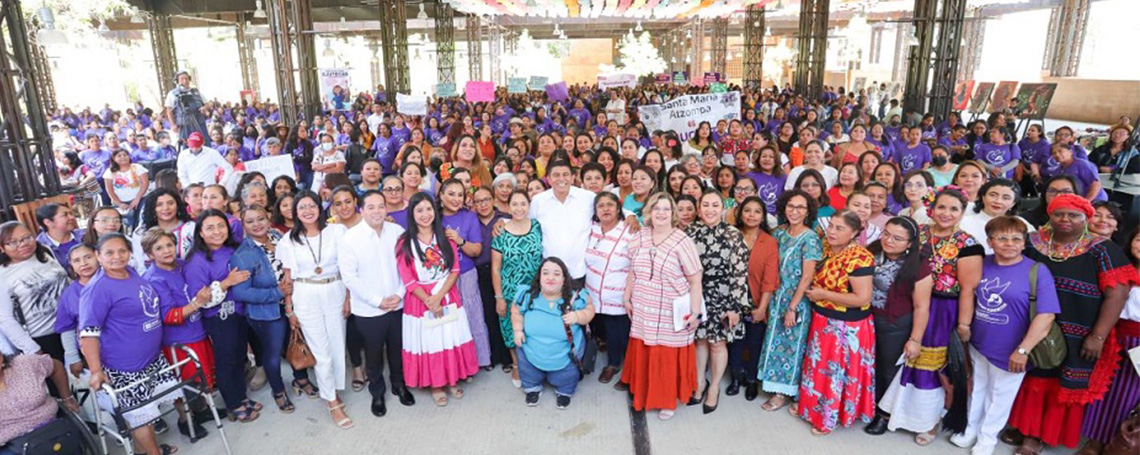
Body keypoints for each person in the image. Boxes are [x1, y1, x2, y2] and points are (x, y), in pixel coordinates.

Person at [1005, 194, 1139, 455]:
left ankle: (1040, 436)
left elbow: (1118, 293)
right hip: (1033, 326)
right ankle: (1026, 430)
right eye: (1059, 214)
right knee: (1032, 377)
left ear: (1085, 218)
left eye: (1074, 215)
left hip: (1080, 333)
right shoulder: (1033, 243)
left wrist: (1098, 336)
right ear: (1049, 215)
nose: (1065, 219)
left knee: (1061, 384)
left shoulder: (1102, 248)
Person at [947, 216, 1059, 455]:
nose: (1009, 244)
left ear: (1024, 242)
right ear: (990, 241)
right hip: (979, 342)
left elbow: (1046, 315)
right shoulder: (981, 263)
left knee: (999, 397)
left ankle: (987, 439)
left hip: (1013, 348)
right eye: (1002, 238)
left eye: (1016, 239)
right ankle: (970, 430)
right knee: (977, 388)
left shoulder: (1037, 271)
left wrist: (1023, 350)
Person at [878, 187, 982, 443]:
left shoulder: (968, 244)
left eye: (954, 209)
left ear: (962, 212)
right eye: (942, 207)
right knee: (903, 359)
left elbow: (968, 289)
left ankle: (930, 420)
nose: (946, 213)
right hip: (908, 302)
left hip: (942, 310)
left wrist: (964, 323)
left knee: (932, 366)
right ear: (931, 209)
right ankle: (898, 411)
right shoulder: (919, 233)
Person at [79, 233, 180, 455]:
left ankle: (145, 450)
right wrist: (96, 370)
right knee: (139, 415)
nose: (117, 257)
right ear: (98, 256)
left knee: (151, 411)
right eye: (109, 252)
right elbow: (88, 334)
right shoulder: (98, 289)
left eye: (122, 251)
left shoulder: (130, 273)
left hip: (152, 358)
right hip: (126, 367)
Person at [619, 192, 703, 421]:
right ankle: (644, 391)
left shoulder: (681, 241)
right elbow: (632, 271)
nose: (661, 213)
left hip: (671, 308)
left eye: (666, 209)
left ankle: (666, 400)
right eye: (657, 208)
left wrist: (695, 313)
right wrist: (627, 298)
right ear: (649, 212)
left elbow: (696, 279)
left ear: (673, 213)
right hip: (644, 305)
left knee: (665, 354)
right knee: (646, 348)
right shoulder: (640, 237)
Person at [796, 209, 876, 436]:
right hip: (822, 321)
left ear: (854, 233)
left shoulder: (860, 257)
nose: (832, 231)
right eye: (831, 225)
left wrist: (825, 295)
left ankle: (829, 417)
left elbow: (862, 298)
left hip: (846, 327)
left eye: (839, 228)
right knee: (818, 369)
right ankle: (811, 409)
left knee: (836, 373)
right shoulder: (824, 248)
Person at [396, 192, 479, 407]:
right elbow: (407, 278)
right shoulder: (404, 242)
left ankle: (452, 379)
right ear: (412, 214)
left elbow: (454, 270)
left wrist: (439, 296)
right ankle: (436, 384)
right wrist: (429, 300)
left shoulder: (444, 236)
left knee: (450, 337)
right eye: (419, 210)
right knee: (431, 340)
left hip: (447, 293)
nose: (425, 215)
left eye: (429, 209)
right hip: (420, 300)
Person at [339, 190, 415, 418]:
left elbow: (408, 266)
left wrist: (400, 294)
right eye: (370, 207)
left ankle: (399, 385)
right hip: (369, 310)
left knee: (397, 349)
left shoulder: (398, 232)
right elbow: (350, 277)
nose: (377, 211)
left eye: (381, 206)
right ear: (361, 210)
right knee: (373, 354)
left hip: (398, 304)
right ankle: (377, 392)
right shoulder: (350, 239)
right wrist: (377, 301)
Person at [183, 210, 262, 423]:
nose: (217, 231)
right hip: (218, 317)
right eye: (210, 227)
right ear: (200, 232)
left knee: (239, 358)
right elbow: (201, 298)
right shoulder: (196, 261)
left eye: (221, 226)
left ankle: (241, 397)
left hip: (240, 312)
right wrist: (227, 282)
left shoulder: (232, 249)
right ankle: (233, 405)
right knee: (226, 361)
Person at [139, 228, 217, 439]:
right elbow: (168, 315)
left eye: (169, 245)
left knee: (201, 376)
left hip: (198, 330)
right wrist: (198, 303)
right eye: (159, 248)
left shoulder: (183, 264)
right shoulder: (153, 278)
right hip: (178, 339)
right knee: (185, 382)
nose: (166, 251)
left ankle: (201, 411)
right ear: (149, 254)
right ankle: (185, 420)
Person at [862, 217, 932, 436]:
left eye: (897, 238)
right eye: (886, 234)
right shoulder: (872, 251)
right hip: (865, 317)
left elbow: (921, 306)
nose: (889, 240)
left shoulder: (918, 266)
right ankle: (866, 405)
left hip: (894, 323)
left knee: (888, 370)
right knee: (868, 365)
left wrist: (915, 339)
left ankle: (884, 415)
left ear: (910, 243)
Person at [683, 190, 749, 414]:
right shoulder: (690, 232)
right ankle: (700, 383)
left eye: (715, 205)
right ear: (699, 209)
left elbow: (740, 272)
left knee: (717, 343)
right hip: (697, 294)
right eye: (705, 205)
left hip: (724, 294)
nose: (710, 209)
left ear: (723, 209)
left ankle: (714, 389)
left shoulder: (733, 234)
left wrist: (734, 306)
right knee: (700, 340)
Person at [1079, 227, 1140, 455]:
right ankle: (1094, 441)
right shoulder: (1119, 269)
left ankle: (1117, 444)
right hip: (1112, 337)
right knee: (1102, 391)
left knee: (1128, 396)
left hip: (1139, 345)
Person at [230, 206, 296, 414]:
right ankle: (278, 391)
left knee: (295, 344)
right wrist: (276, 292)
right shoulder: (242, 255)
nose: (257, 224)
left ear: (269, 219)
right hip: (267, 313)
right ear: (243, 225)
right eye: (250, 221)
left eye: (260, 219)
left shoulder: (278, 237)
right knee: (273, 354)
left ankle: (301, 380)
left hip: (292, 304)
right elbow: (241, 293)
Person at [510, 258, 595, 409]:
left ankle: (564, 392)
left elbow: (590, 310)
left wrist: (578, 316)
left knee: (566, 377)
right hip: (532, 349)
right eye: (546, 273)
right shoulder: (527, 295)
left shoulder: (575, 297)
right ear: (540, 277)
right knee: (529, 372)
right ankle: (532, 388)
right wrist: (517, 330)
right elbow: (516, 310)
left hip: (564, 353)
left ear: (564, 279)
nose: (550, 278)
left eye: (556, 274)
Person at [490, 189, 544, 387]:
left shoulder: (537, 226)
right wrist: (499, 297)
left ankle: (535, 364)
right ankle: (516, 365)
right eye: (515, 204)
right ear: (508, 207)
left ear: (529, 206)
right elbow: (496, 269)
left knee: (534, 329)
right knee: (511, 329)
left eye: (523, 204)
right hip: (510, 291)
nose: (519, 208)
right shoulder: (501, 232)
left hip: (536, 291)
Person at [438, 179, 492, 369]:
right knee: (449, 322)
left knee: (473, 316)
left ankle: (481, 359)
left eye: (460, 194)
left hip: (466, 273)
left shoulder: (469, 216)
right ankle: (456, 366)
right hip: (442, 278)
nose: (456, 198)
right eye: (451, 194)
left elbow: (476, 250)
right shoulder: (434, 218)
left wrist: (460, 240)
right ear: (441, 196)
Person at [728, 196, 778, 401]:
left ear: (763, 216)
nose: (751, 215)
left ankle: (750, 380)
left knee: (754, 341)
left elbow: (770, 278)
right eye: (747, 210)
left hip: (757, 298)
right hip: (733, 299)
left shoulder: (769, 241)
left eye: (757, 211)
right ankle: (735, 376)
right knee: (735, 340)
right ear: (740, 213)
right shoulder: (731, 235)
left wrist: (762, 307)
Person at [0, 221, 70, 362]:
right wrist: (33, 350)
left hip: (71, 326)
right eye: (12, 242)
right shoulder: (3, 274)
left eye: (27, 238)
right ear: (2, 248)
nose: (23, 244)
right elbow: (5, 319)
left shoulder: (44, 252)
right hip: (43, 338)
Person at [583, 191, 633, 387]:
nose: (605, 209)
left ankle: (625, 369)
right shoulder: (591, 228)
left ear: (618, 209)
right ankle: (613, 363)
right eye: (601, 205)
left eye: (610, 205)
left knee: (620, 332)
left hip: (619, 294)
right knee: (606, 331)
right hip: (594, 294)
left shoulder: (629, 230)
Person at [0, 353, 80, 450]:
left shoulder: (24, 364)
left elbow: (56, 367)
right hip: (9, 445)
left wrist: (67, 398)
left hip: (52, 431)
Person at [960, 179, 1035, 254]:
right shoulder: (963, 222)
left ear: (1013, 203)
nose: (998, 201)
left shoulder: (1020, 223)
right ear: (983, 197)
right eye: (993, 195)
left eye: (1006, 198)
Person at [165, 70, 209, 142]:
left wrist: (204, 108)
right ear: (177, 81)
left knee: (204, 141)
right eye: (182, 79)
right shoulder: (172, 94)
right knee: (186, 143)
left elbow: (207, 103)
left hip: (199, 122)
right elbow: (169, 110)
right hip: (184, 124)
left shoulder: (196, 91)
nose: (185, 81)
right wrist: (173, 125)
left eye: (186, 78)